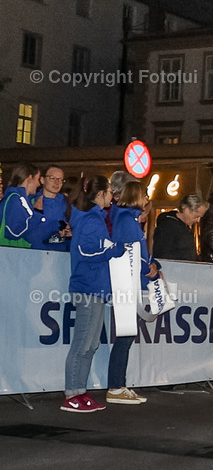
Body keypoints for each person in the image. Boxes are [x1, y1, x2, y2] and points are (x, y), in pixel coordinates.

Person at [63, 176, 125, 413]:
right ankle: (71, 393)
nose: (112, 195)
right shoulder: (91, 219)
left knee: (90, 344)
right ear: (99, 195)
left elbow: (91, 249)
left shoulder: (94, 218)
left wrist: (110, 249)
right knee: (82, 344)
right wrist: (113, 250)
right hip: (87, 288)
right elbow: (86, 251)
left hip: (95, 287)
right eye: (109, 191)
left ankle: (79, 390)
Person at [106, 182, 160, 406]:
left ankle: (119, 385)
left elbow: (139, 253)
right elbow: (133, 254)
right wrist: (148, 269)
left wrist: (151, 264)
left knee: (126, 337)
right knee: (125, 337)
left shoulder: (128, 219)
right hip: (126, 283)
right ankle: (115, 387)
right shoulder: (128, 221)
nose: (147, 198)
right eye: (145, 194)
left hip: (129, 282)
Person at [0, 163, 49, 248]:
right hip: (15, 253)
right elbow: (14, 232)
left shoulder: (21, 199)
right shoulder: (16, 199)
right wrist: (37, 213)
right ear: (29, 178)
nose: (39, 184)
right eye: (37, 179)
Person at [153, 194, 208, 261]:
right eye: (196, 217)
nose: (198, 220)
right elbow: (161, 254)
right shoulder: (167, 226)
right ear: (187, 210)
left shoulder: (186, 228)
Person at [31, 165, 72, 250]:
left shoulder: (67, 203)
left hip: (62, 254)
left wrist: (71, 231)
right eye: (52, 178)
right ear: (42, 180)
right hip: (38, 253)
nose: (57, 183)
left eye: (60, 180)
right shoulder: (33, 201)